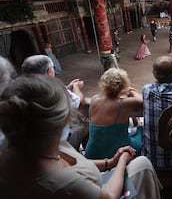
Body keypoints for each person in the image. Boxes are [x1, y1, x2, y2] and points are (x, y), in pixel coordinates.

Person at [0, 74, 162, 198]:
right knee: (142, 163)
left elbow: (71, 161)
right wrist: (120, 162)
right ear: (60, 121)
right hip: (103, 189)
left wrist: (109, 162)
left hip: (96, 168)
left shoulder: (39, 146)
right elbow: (109, 196)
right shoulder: (59, 182)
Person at [21, 54, 87, 150]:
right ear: (49, 71)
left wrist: (67, 88)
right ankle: (80, 152)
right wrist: (76, 87)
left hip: (36, 143)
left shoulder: (21, 90)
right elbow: (79, 101)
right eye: (53, 68)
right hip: (58, 144)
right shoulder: (55, 88)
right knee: (85, 123)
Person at [85, 68, 144, 159]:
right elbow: (142, 101)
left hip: (92, 152)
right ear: (123, 85)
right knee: (141, 130)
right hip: (116, 152)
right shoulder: (124, 103)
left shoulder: (94, 99)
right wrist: (131, 90)